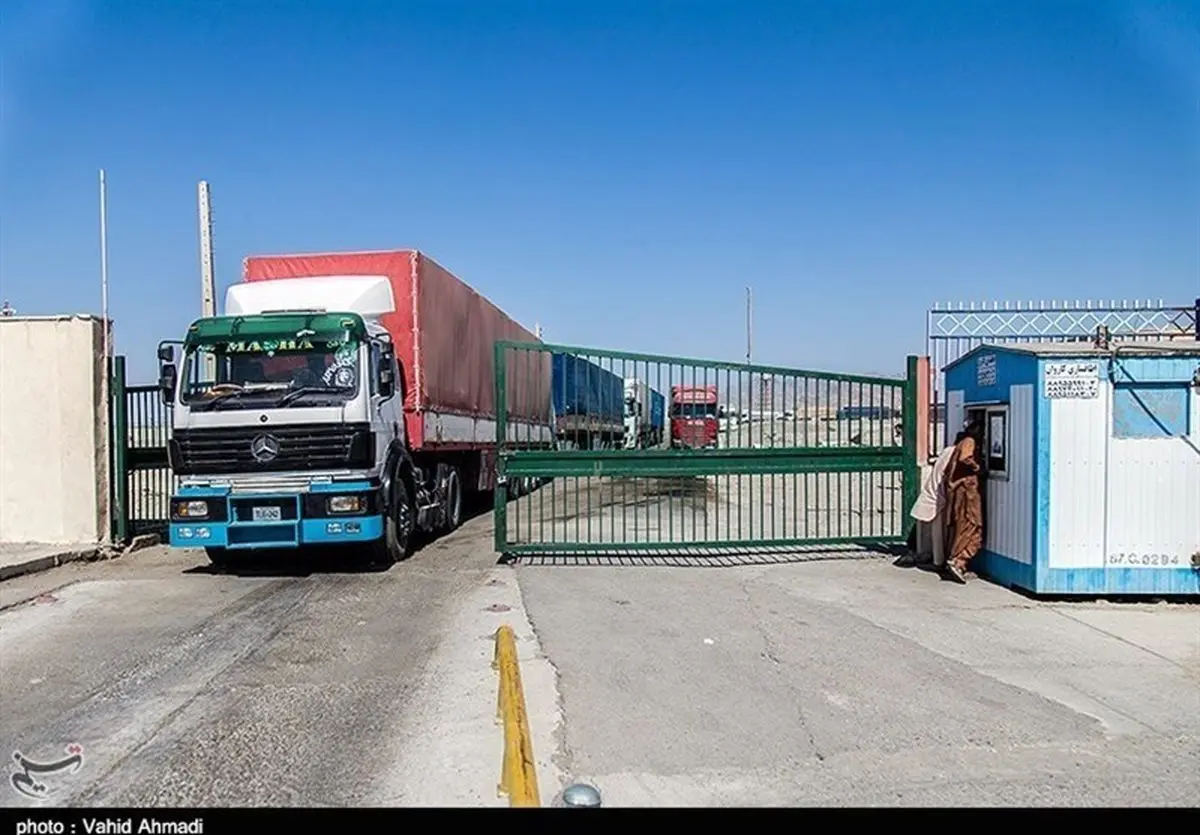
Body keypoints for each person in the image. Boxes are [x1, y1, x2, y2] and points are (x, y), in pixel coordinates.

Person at [908, 432, 963, 568]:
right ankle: (938, 561)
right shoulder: (954, 453)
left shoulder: (946, 451)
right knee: (939, 532)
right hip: (939, 495)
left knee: (927, 529)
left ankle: (924, 554)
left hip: (930, 491)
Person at [944, 419, 984, 584]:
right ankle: (958, 561)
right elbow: (965, 458)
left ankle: (959, 562)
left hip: (963, 491)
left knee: (966, 526)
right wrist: (977, 467)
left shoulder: (961, 443)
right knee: (971, 525)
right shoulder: (969, 442)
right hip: (967, 492)